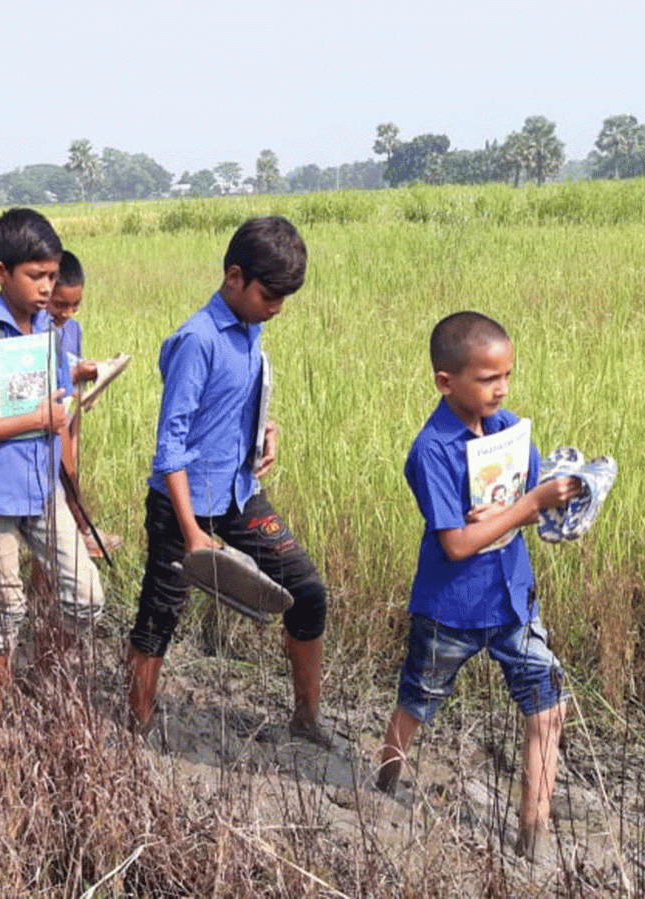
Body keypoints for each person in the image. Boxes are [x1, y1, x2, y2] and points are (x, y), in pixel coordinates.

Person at [374, 311, 581, 863]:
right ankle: (385, 780)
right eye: (488, 378)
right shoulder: (431, 451)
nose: (502, 388)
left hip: (514, 598)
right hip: (451, 605)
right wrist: (524, 508)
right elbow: (458, 545)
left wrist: (555, 496)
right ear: (446, 382)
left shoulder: (507, 429)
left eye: (506, 375)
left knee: (548, 709)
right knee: (418, 701)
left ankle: (531, 834)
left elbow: (527, 499)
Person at [125, 216, 338, 748]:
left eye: (284, 299)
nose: (276, 310)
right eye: (270, 296)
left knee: (308, 592)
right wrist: (192, 533)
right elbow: (170, 444)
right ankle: (138, 728)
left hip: (239, 496)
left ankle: (306, 717)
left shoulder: (252, 327)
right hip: (183, 506)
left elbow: (231, 401)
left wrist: (266, 427)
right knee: (160, 616)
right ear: (234, 277)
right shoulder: (197, 340)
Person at [0, 208, 104, 714]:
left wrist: (64, 410)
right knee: (3, 610)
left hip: (44, 492)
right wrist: (36, 419)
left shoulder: (51, 334)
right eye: (36, 275)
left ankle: (40, 671)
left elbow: (58, 409)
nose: (46, 287)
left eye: (52, 276)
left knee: (87, 599)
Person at [45, 249, 123, 558]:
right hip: (43, 428)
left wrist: (92, 383)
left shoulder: (72, 330)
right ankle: (83, 527)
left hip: (66, 423)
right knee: (57, 510)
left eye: (75, 305)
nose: (67, 313)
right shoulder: (36, 329)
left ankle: (45, 595)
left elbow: (72, 392)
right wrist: (75, 374)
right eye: (60, 304)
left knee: (63, 501)